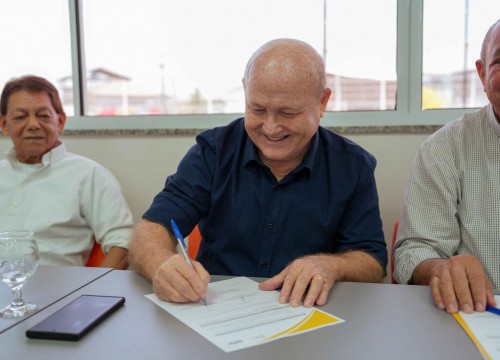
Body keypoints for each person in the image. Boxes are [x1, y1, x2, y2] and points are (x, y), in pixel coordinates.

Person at [129, 39, 387, 307]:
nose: (271, 127)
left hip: (307, 312)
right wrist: (162, 264)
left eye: (288, 112)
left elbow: (372, 259)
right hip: (215, 310)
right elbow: (152, 229)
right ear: (245, 91)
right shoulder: (213, 152)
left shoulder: (352, 166)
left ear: (322, 103)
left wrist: (330, 265)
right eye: (257, 109)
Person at [394, 19, 500, 314]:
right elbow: (413, 253)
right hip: (473, 316)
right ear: (482, 73)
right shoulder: (444, 149)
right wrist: (441, 269)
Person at [0, 75, 133, 269]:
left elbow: (123, 243)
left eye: (43, 115)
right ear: (4, 125)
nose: (33, 125)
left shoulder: (89, 175)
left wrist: (95, 294)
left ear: (60, 121)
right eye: (20, 117)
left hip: (54, 290)